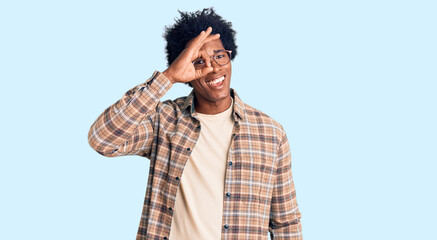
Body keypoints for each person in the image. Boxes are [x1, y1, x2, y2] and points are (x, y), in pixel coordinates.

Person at [88, 8, 302, 240]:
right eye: (199, 61)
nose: (214, 68)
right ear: (186, 70)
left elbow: (285, 222)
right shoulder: (164, 120)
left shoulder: (270, 133)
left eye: (219, 56)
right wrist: (168, 77)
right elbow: (103, 140)